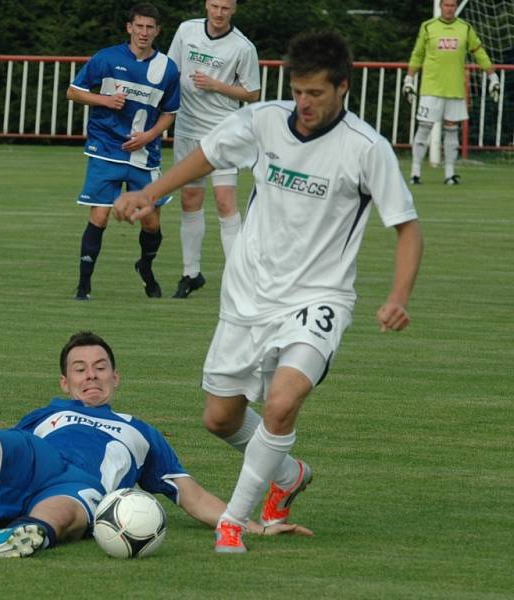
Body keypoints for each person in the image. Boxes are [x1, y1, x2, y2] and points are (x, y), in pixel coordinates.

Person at [113, 31, 424, 554]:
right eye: (298, 91)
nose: (303, 103)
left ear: (343, 88)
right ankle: (288, 474)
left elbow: (408, 227)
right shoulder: (262, 121)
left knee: (282, 403)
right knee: (219, 419)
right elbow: (207, 155)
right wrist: (149, 192)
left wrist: (398, 296)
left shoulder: (366, 148)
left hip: (318, 299)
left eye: (316, 94)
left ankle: (234, 521)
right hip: (247, 295)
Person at [0, 331, 312, 557]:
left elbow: (194, 497)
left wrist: (248, 525)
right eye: (80, 370)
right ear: (66, 382)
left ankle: (26, 536)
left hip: (81, 486)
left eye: (99, 369)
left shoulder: (142, 433)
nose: (91, 377)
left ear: (116, 379)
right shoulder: (47, 413)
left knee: (69, 507)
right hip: (35, 460)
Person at [68, 3, 180, 301]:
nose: (144, 32)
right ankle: (83, 287)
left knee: (152, 222)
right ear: (129, 27)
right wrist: (104, 101)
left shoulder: (167, 68)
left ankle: (145, 266)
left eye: (150, 27)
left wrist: (149, 136)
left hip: (144, 155)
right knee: (100, 216)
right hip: (106, 149)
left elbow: (169, 113)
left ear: (157, 31)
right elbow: (73, 91)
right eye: (139, 26)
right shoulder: (105, 59)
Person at [167, 0, 260, 299]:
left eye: (226, 8)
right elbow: (171, 71)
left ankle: (238, 279)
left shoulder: (243, 47)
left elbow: (252, 93)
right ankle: (190, 273)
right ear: (206, 5)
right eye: (215, 6)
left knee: (224, 202)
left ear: (234, 10)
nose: (219, 13)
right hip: (187, 129)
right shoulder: (186, 31)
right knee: (190, 200)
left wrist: (216, 85)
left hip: (223, 133)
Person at [404, 0, 500, 185]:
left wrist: (492, 76)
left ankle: (449, 173)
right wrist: (409, 79)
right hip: (431, 88)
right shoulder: (428, 27)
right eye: (446, 5)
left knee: (451, 130)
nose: (450, 8)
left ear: (456, 7)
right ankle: (415, 172)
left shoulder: (465, 28)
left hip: (455, 88)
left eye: (453, 5)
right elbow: (417, 54)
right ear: (440, 6)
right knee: (424, 127)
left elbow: (478, 51)